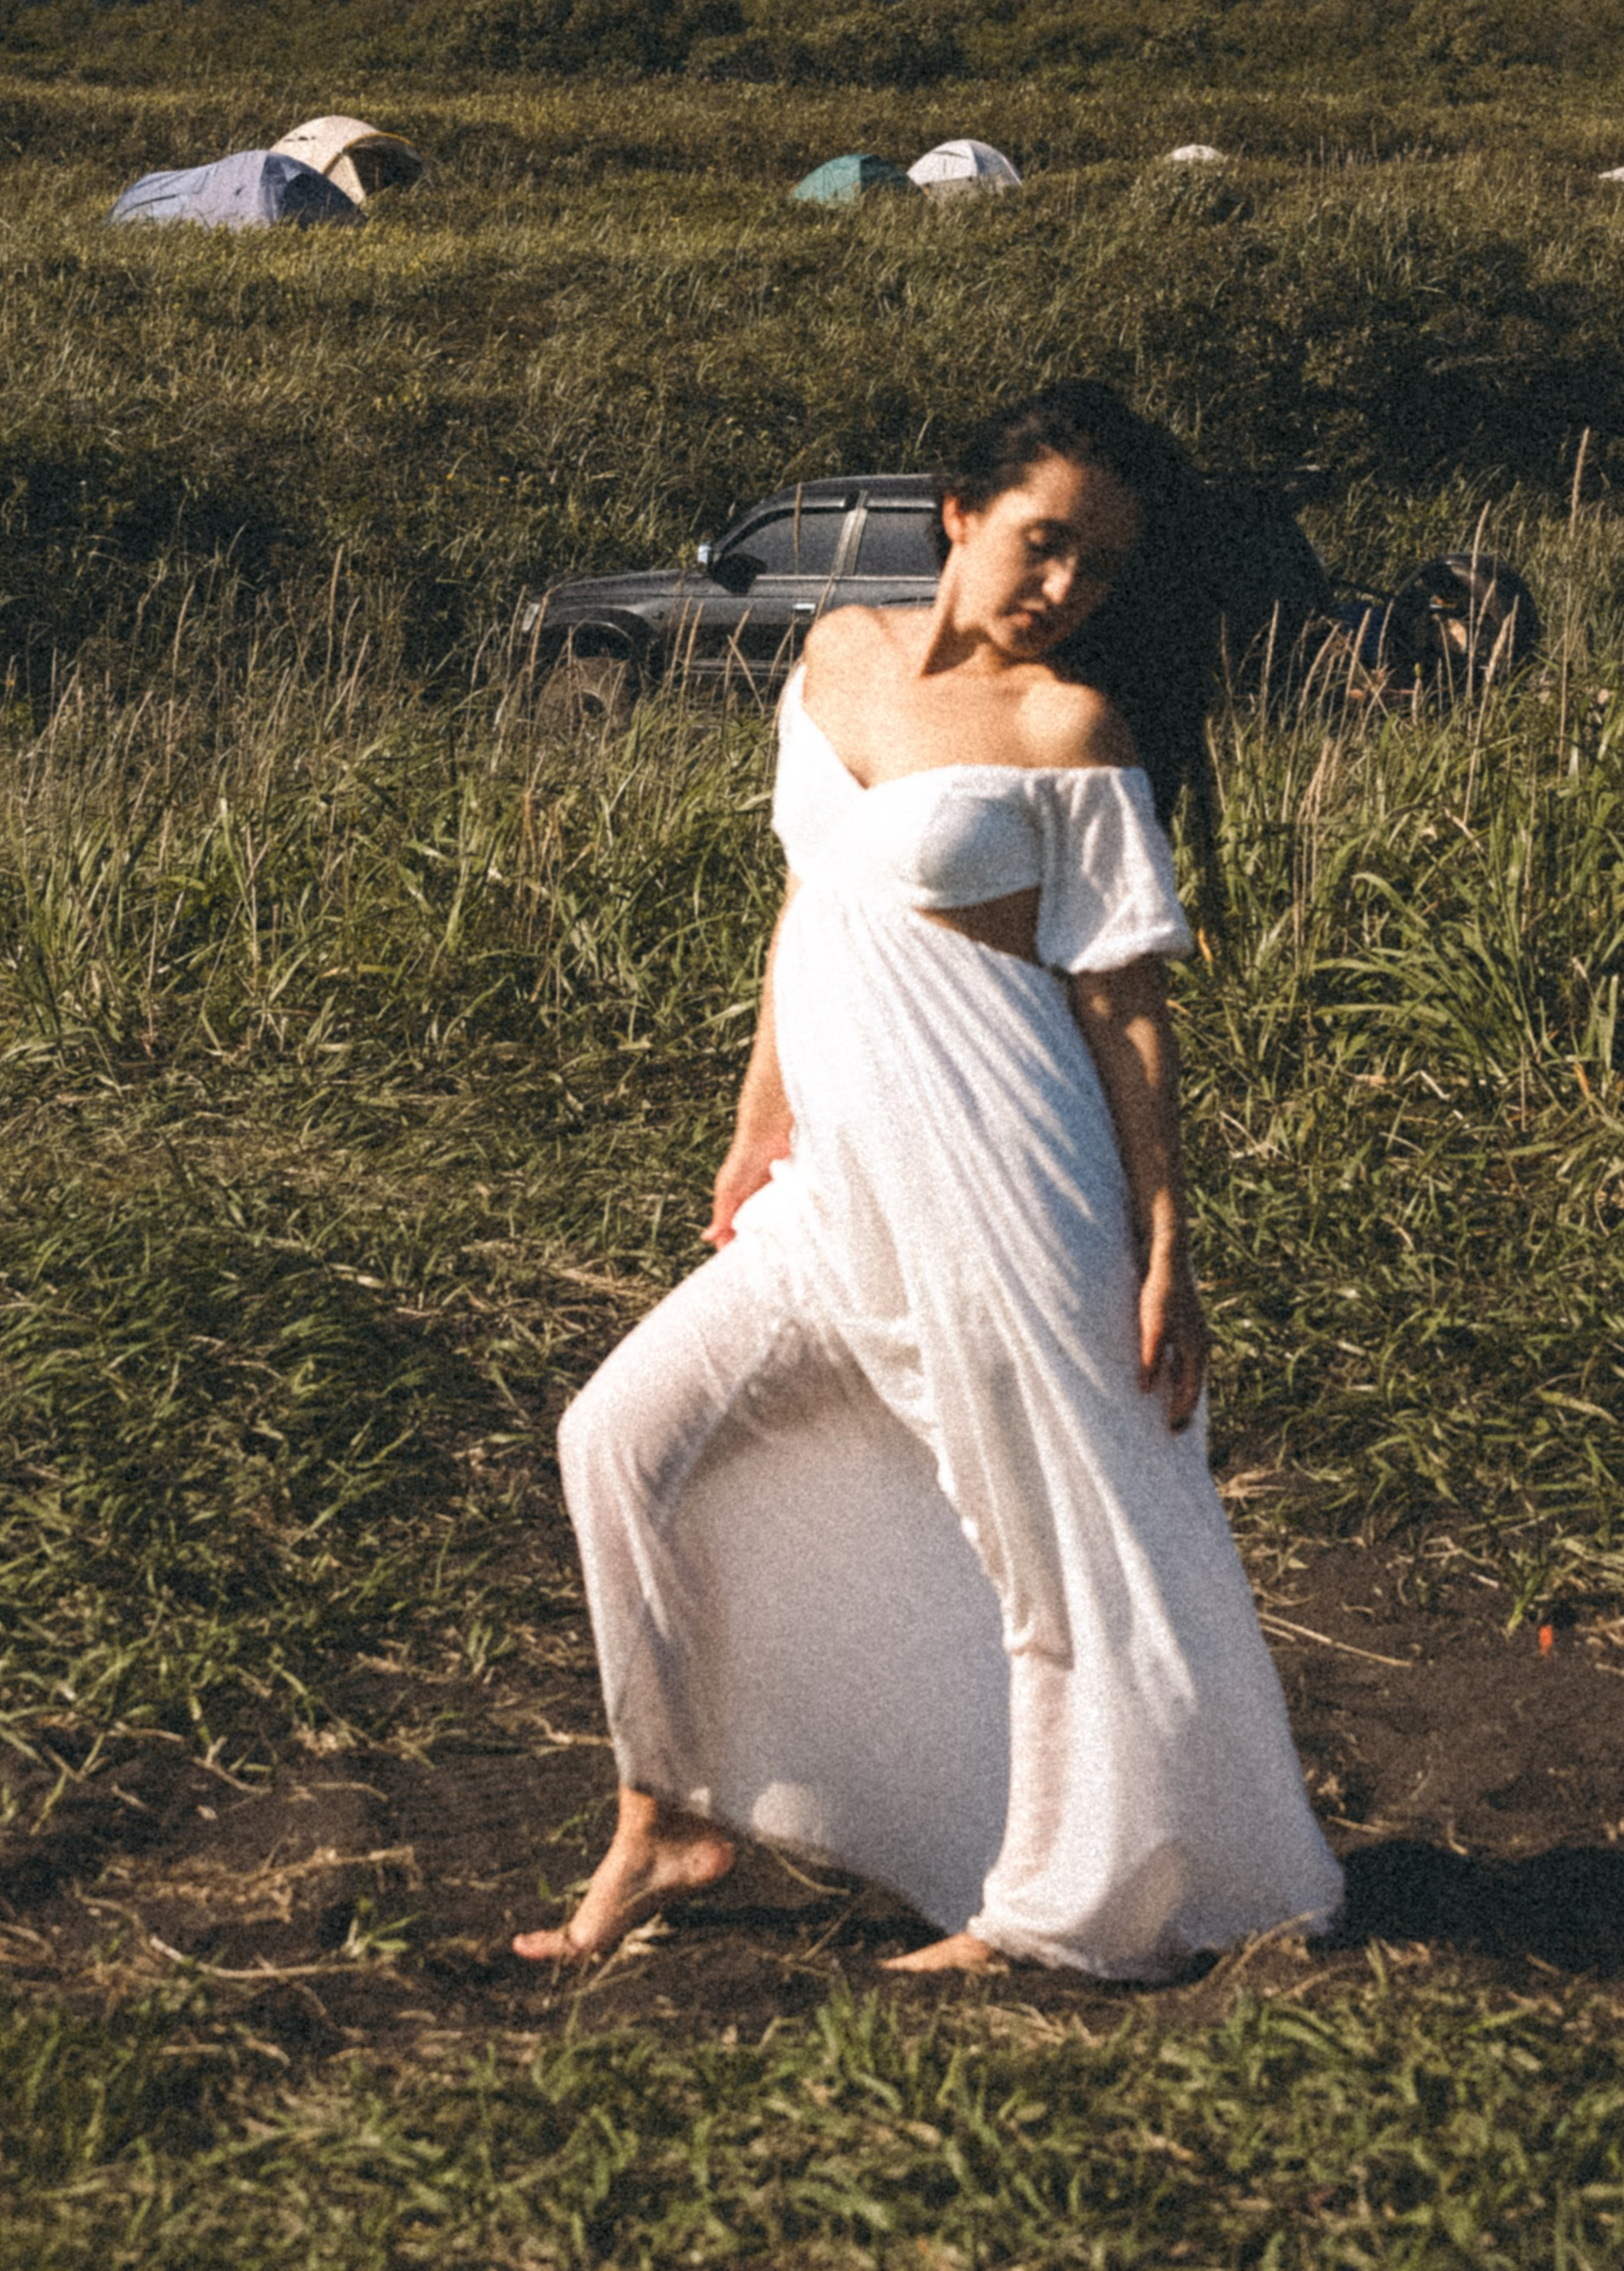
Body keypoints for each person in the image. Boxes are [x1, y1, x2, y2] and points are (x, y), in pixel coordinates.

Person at [515, 381, 1343, 1981]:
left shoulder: (1071, 729)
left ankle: (1057, 1901)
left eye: (1098, 569)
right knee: (617, 1439)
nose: (1064, 591)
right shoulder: (834, 657)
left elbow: (1125, 1006)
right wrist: (760, 1115)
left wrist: (1167, 1240)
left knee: (1053, 1539)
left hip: (1007, 1181)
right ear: (960, 515)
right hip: (837, 1183)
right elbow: (805, 894)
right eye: (1043, 544)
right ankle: (668, 1811)